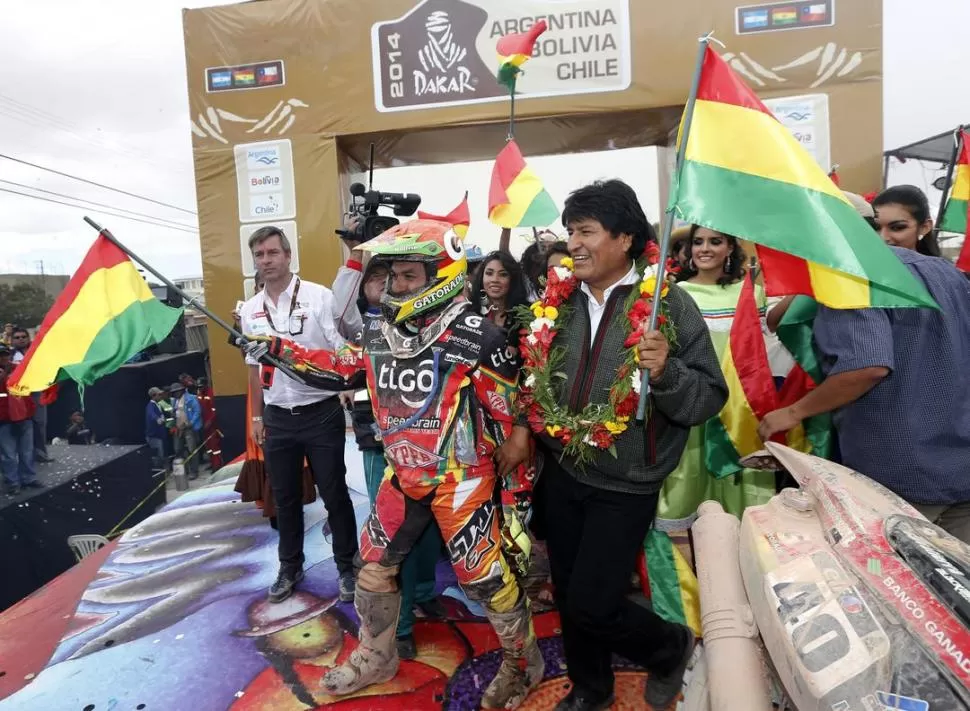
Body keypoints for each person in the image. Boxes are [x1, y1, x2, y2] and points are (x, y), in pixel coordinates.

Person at [247, 219, 542, 708]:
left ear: (439, 274)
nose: (396, 285)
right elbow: (337, 367)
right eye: (391, 276)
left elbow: (517, 416)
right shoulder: (379, 331)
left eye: (409, 275)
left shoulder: (478, 335)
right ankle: (376, 655)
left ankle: (521, 662)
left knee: (485, 580)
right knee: (372, 570)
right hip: (402, 474)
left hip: (462, 478)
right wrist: (277, 349)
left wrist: (516, 495)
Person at [499, 180, 728, 711]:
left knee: (595, 603)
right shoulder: (556, 303)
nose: (574, 244)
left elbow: (705, 399)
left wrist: (667, 370)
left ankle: (670, 646)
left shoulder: (665, 306)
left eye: (586, 232)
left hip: (627, 479)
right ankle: (591, 689)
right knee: (568, 591)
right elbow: (531, 379)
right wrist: (519, 426)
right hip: (562, 471)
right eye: (570, 232)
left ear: (625, 238)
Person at [759, 242, 970, 543]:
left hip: (900, 472)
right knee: (957, 582)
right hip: (960, 459)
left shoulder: (850, 275)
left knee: (893, 579)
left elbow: (867, 366)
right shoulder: (943, 270)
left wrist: (794, 412)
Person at [239, 225, 358, 605]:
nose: (266, 261)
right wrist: (257, 419)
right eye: (259, 255)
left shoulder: (319, 296)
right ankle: (289, 566)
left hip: (320, 412)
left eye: (273, 253)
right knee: (285, 498)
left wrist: (343, 388)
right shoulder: (250, 309)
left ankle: (347, 566)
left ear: (288, 256)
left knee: (334, 493)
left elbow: (340, 348)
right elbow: (252, 368)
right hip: (278, 417)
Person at [334, 255, 445, 661]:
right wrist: (352, 257)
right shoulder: (364, 326)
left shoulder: (437, 321)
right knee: (392, 536)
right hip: (379, 444)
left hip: (434, 450)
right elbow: (339, 311)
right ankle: (399, 627)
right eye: (379, 278)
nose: (390, 285)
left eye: (400, 276)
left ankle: (424, 593)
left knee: (429, 531)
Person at [0, 345, 41, 495]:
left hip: (25, 416)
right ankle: (13, 482)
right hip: (4, 419)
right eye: (0, 355)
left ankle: (28, 478)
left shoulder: (18, 368)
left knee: (27, 451)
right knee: (8, 454)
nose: (3, 358)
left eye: (5, 354)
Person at [9, 327, 53, 463]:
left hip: (36, 391)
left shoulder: (37, 353)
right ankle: (20, 456)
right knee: (18, 425)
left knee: (40, 423)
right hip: (17, 395)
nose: (21, 339)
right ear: (12, 340)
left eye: (23, 337)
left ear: (29, 338)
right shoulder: (7, 355)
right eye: (17, 337)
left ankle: (40, 454)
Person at [871, 184, 942, 257]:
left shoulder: (939, 268)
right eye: (876, 228)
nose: (883, 237)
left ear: (924, 227)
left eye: (897, 228)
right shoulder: (863, 265)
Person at [145, 387, 168, 468]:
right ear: (154, 396)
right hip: (154, 436)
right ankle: (159, 476)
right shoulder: (150, 406)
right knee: (158, 457)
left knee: (162, 455)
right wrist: (157, 419)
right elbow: (151, 414)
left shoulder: (159, 404)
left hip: (160, 435)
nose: (161, 396)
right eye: (159, 394)